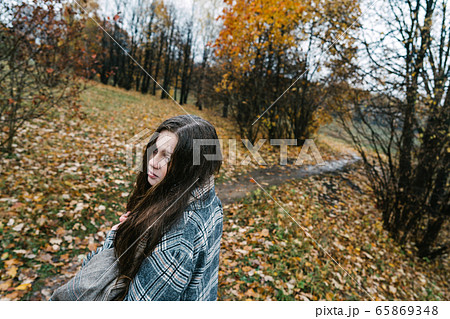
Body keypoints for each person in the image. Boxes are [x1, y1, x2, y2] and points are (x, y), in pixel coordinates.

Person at [79, 114, 223, 300]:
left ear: (189, 166)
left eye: (167, 157)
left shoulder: (175, 244)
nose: (153, 162)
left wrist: (116, 237)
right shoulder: (208, 198)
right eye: (154, 151)